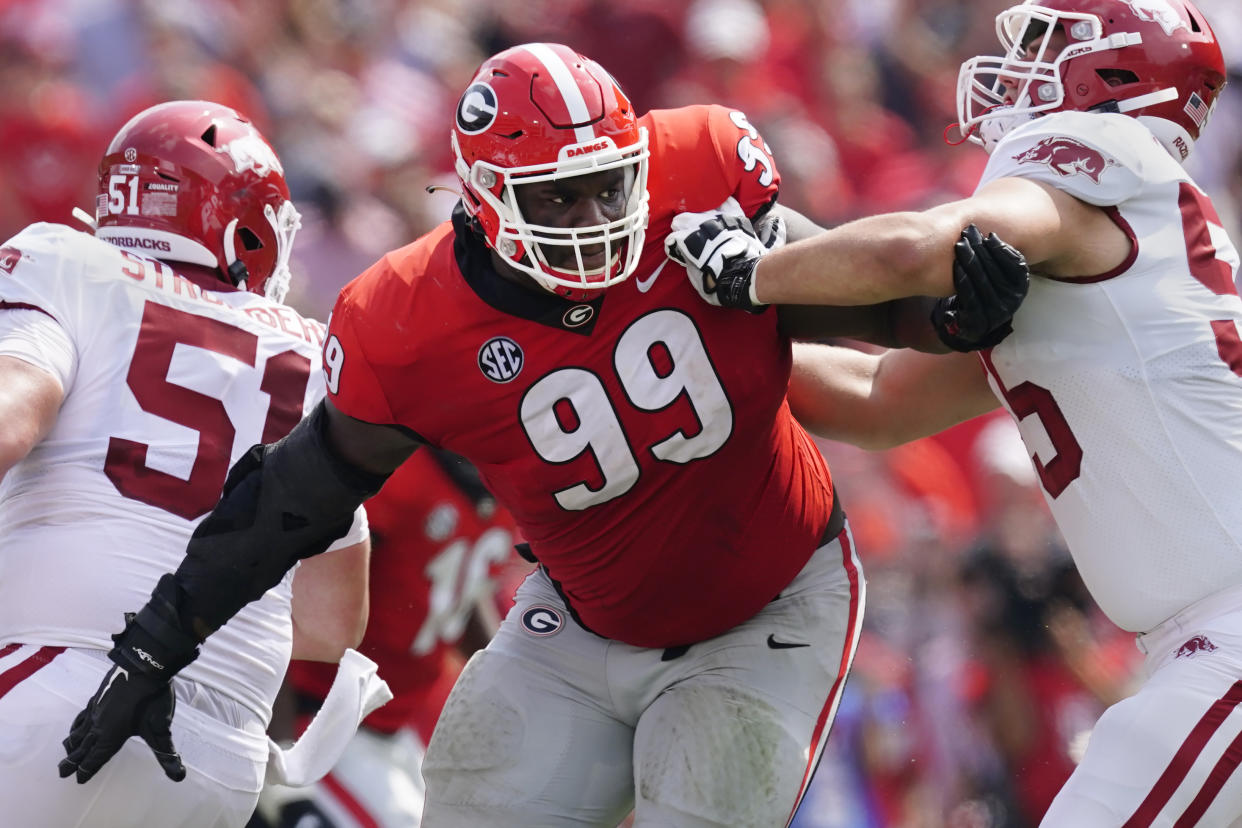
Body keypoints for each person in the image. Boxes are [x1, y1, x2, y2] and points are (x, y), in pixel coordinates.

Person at [56, 45, 1027, 827]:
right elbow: (294, 498)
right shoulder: (408, 319)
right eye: (556, 198)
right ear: (481, 197)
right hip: (577, 623)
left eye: (609, 185)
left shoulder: (699, 178)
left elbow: (860, 303)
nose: (595, 218)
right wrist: (156, 642)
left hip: (771, 608)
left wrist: (953, 318)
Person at [674, 0, 1242, 823]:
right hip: (1198, 645)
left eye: (1051, 45)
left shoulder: (1110, 157)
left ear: (1117, 76)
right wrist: (688, 346)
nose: (1023, 66)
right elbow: (877, 401)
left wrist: (749, 272)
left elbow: (913, 249)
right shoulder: (1113, 270)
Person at [0, 100, 372, 828]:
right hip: (220, 754)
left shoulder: (66, 262)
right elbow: (333, 623)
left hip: (51, 687)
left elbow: (10, 418)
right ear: (245, 230)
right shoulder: (312, 352)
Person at [255, 449, 523, 828]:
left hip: (390, 731)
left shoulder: (495, 482)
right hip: (320, 718)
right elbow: (282, 598)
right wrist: (280, 750)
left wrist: (514, 672)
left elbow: (451, 579)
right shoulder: (402, 479)